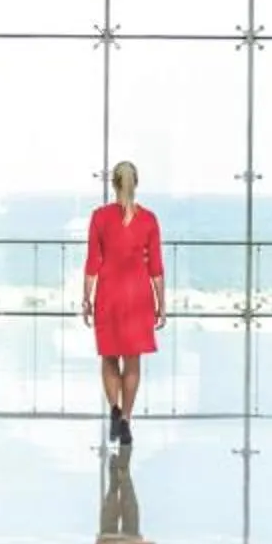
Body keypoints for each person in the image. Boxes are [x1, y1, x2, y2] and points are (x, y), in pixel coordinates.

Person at [83, 158, 163, 449]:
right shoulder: (149, 219)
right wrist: (161, 303)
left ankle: (114, 410)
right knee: (132, 361)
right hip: (138, 295)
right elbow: (155, 267)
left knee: (108, 357)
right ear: (136, 183)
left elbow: (93, 262)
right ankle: (126, 420)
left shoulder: (99, 217)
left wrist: (86, 298)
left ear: (113, 184)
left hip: (109, 294)